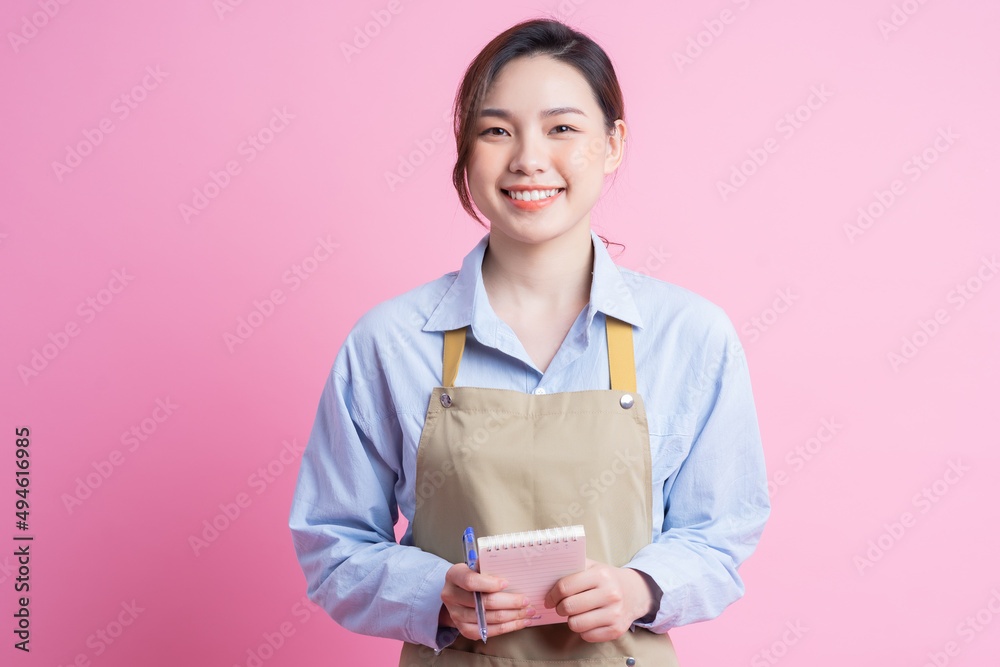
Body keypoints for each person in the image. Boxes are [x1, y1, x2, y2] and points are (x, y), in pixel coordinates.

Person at [288, 17, 770, 666]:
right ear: (466, 148)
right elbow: (331, 542)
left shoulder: (690, 336)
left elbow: (722, 532)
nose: (528, 158)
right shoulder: (390, 341)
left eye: (562, 127)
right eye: (496, 130)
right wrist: (435, 595)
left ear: (613, 144)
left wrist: (640, 587)